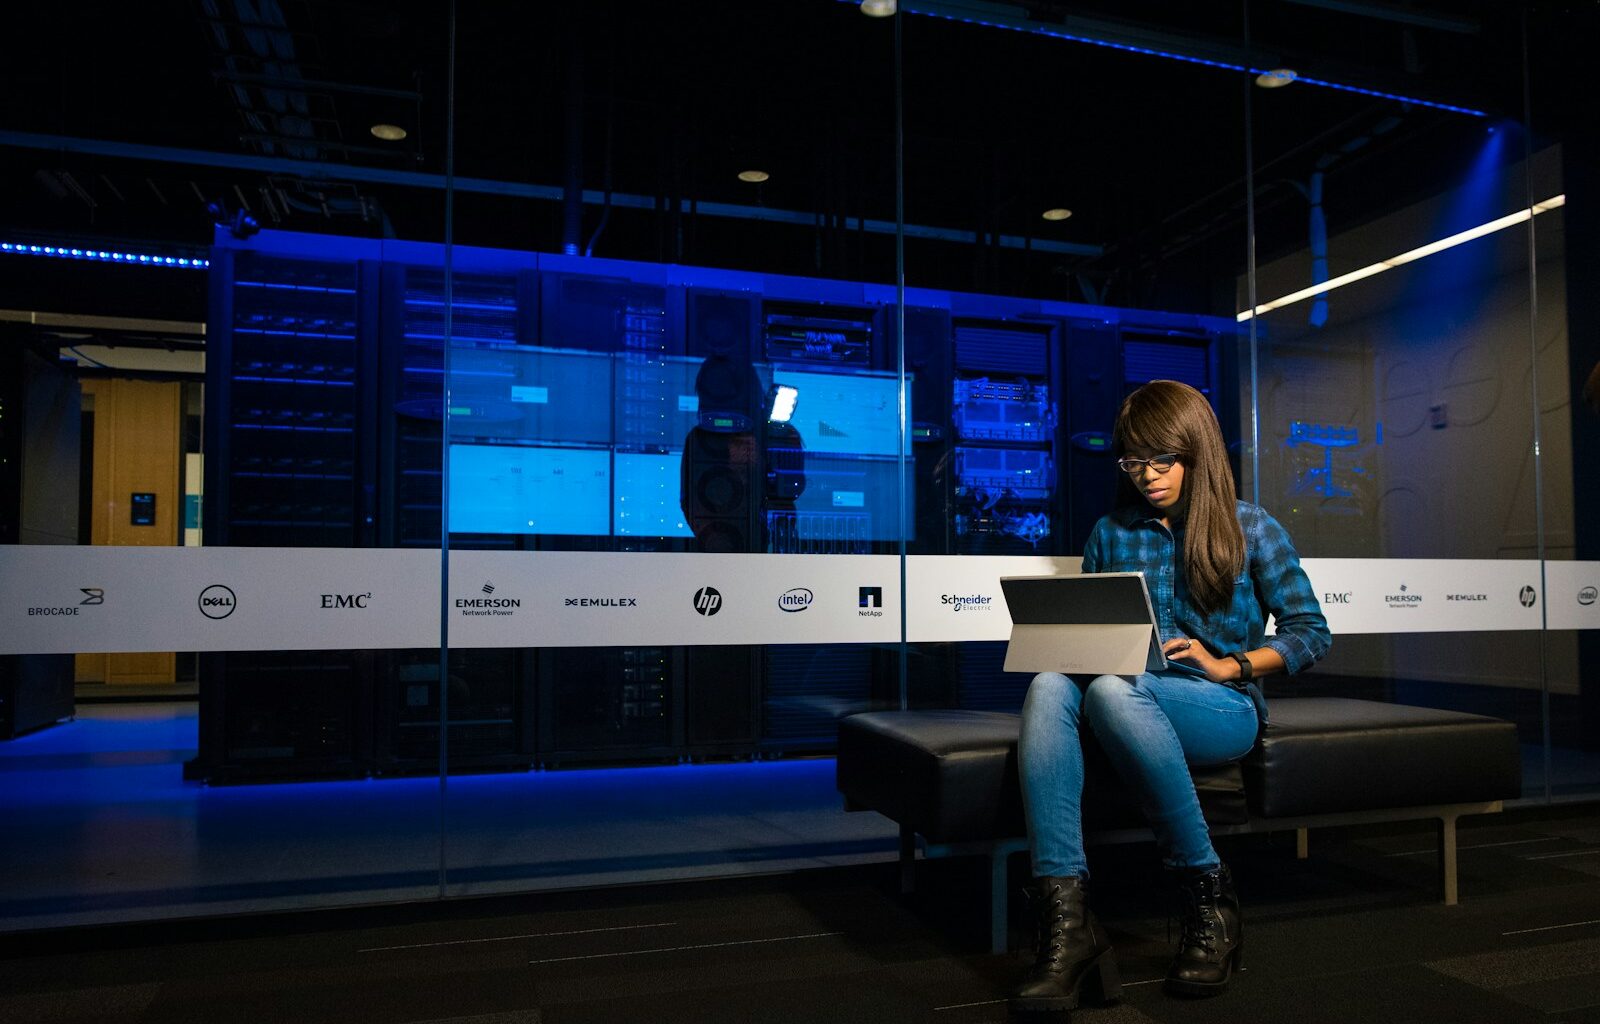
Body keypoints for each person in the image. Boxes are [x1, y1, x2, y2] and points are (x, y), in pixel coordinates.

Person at [1011, 379, 1330, 1013]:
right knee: (1053, 680)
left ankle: (1207, 899)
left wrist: (1230, 664)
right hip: (1123, 694)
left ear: (1196, 452)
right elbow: (1099, 637)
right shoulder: (1112, 532)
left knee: (1110, 691)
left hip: (1219, 706)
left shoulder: (1250, 527)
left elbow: (1310, 632)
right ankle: (1066, 928)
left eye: (1163, 459)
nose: (1148, 475)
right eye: (1134, 461)